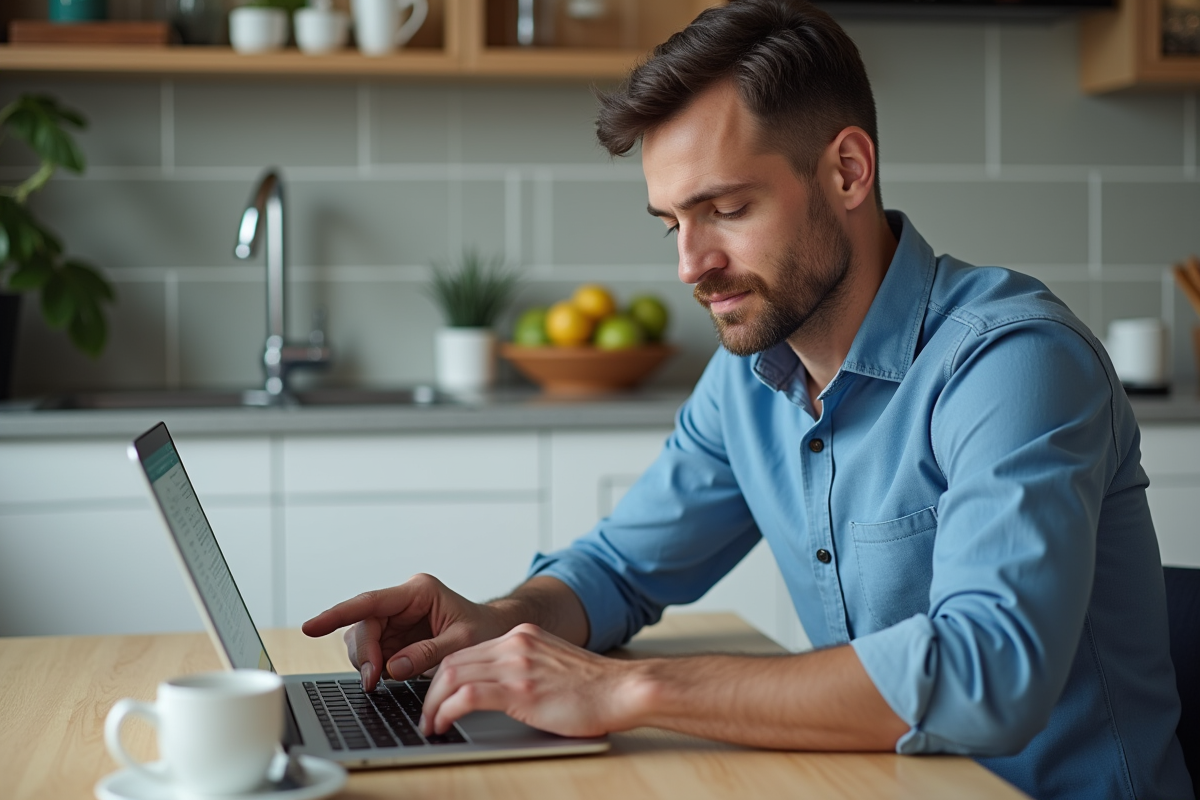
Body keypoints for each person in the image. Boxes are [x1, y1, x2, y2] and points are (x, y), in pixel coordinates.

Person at [302, 1, 1193, 797]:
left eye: (724, 208)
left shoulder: (1011, 362)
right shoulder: (752, 375)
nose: (690, 265)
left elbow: (988, 672)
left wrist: (624, 689)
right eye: (671, 224)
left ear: (847, 171)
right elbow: (617, 571)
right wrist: (498, 621)